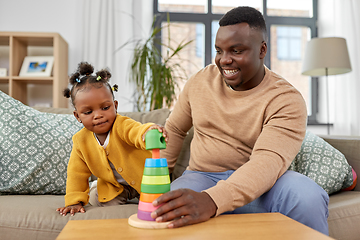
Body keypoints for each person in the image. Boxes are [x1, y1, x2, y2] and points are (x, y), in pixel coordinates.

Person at [151, 6, 329, 235]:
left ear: (262, 49)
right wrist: (156, 178)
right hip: (202, 177)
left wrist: (212, 201)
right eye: (219, 50)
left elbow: (268, 161)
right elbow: (174, 129)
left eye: (236, 51)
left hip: (265, 185)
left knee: (308, 197)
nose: (224, 60)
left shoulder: (286, 99)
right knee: (167, 208)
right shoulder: (200, 82)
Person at [56, 62, 168, 216]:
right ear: (77, 116)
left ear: (115, 106)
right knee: (105, 203)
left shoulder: (121, 125)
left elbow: (135, 131)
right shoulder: (80, 141)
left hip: (144, 180)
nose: (98, 115)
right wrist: (74, 202)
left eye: (105, 108)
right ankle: (97, 187)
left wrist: (147, 131)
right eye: (88, 112)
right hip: (114, 187)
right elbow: (76, 173)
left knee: (160, 202)